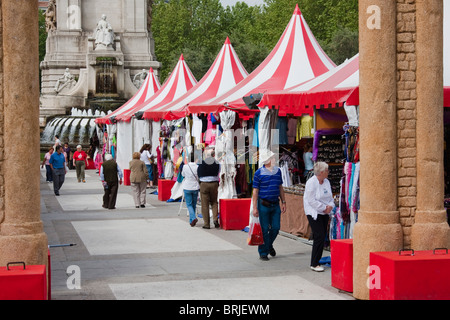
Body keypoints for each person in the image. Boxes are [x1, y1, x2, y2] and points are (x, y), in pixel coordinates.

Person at [252, 149, 286, 261]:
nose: (274, 159)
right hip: (263, 204)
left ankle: (268, 245)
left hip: (275, 204)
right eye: (272, 158)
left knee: (276, 228)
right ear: (267, 161)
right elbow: (255, 191)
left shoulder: (278, 171)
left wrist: (283, 202)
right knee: (264, 229)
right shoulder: (258, 173)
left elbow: (280, 187)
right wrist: (255, 208)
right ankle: (263, 252)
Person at [303, 161, 335, 272]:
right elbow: (311, 200)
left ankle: (317, 260)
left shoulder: (326, 182)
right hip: (314, 212)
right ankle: (314, 263)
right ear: (321, 172)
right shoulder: (311, 183)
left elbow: (331, 198)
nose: (328, 172)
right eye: (327, 170)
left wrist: (330, 206)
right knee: (319, 235)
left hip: (325, 212)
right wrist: (323, 207)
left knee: (322, 235)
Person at [197, 148, 220, 229]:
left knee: (205, 204)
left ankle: (206, 223)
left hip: (204, 184)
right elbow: (218, 173)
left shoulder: (201, 163)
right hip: (214, 184)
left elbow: (198, 173)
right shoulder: (217, 163)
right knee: (214, 202)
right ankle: (215, 219)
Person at [182, 153, 200, 227]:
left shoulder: (185, 166)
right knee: (194, 204)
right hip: (195, 187)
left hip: (187, 186)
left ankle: (193, 218)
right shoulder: (197, 167)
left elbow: (183, 175)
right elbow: (198, 176)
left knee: (189, 204)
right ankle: (191, 220)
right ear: (196, 159)